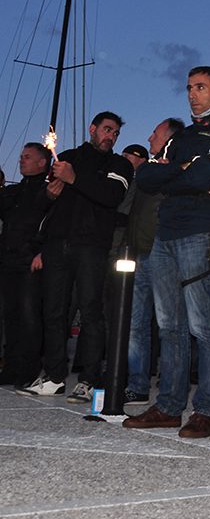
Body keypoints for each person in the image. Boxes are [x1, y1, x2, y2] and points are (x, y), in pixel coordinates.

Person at [124, 66, 210, 438]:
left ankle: (207, 410)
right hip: (165, 233)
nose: (193, 94)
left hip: (201, 231)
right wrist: (185, 168)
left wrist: (180, 172)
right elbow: (146, 177)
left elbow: (200, 176)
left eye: (200, 87)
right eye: (189, 88)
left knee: (204, 325)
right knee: (169, 325)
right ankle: (168, 406)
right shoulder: (183, 137)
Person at [19, 113, 133, 403]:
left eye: (116, 133)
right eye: (107, 130)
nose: (111, 136)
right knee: (54, 311)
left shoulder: (118, 164)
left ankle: (88, 380)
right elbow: (42, 205)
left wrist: (75, 178)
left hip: (92, 246)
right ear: (93, 129)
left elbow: (111, 196)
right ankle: (54, 376)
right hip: (58, 243)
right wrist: (50, 194)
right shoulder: (66, 157)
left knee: (91, 312)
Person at [123, 118, 185, 406]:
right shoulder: (147, 172)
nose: (149, 138)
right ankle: (137, 383)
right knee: (136, 324)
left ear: (170, 139)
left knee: (168, 326)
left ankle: (171, 387)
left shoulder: (180, 170)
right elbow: (125, 207)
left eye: (155, 134)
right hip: (136, 255)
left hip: (163, 257)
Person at [0, 143, 52, 387]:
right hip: (8, 260)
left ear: (42, 162)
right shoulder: (14, 192)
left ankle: (29, 369)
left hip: (31, 261)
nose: (21, 160)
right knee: (10, 315)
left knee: (29, 315)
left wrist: (40, 251)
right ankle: (11, 367)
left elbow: (52, 223)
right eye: (20, 156)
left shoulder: (49, 191)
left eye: (27, 157)